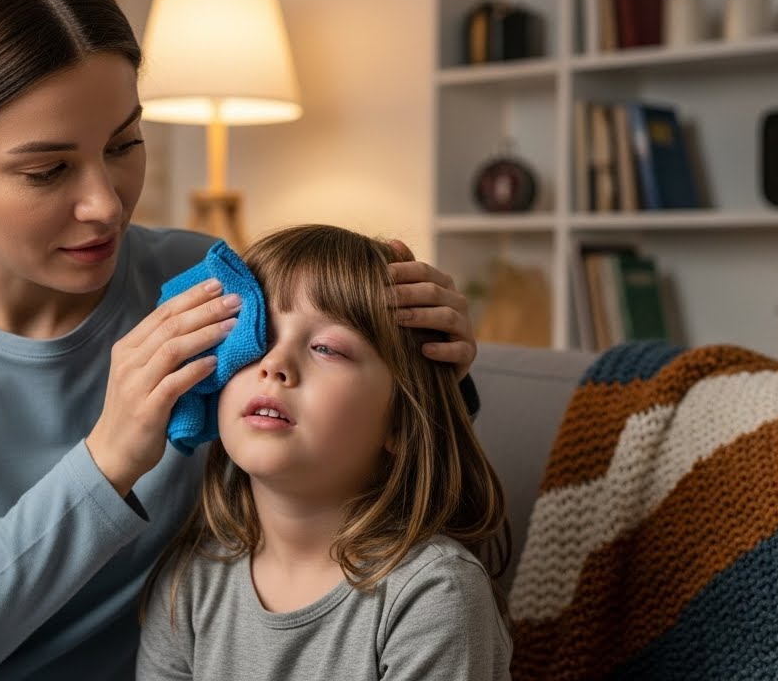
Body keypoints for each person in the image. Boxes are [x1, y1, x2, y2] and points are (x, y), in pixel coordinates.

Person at [0, 0, 478, 681]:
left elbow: (345, 487)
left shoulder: (196, 278)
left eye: (124, 145)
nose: (105, 204)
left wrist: (436, 371)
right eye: (46, 170)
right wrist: (107, 462)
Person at [137, 224, 511, 680]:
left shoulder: (436, 595)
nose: (273, 364)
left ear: (400, 423)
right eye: (255, 337)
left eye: (326, 348)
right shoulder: (189, 584)